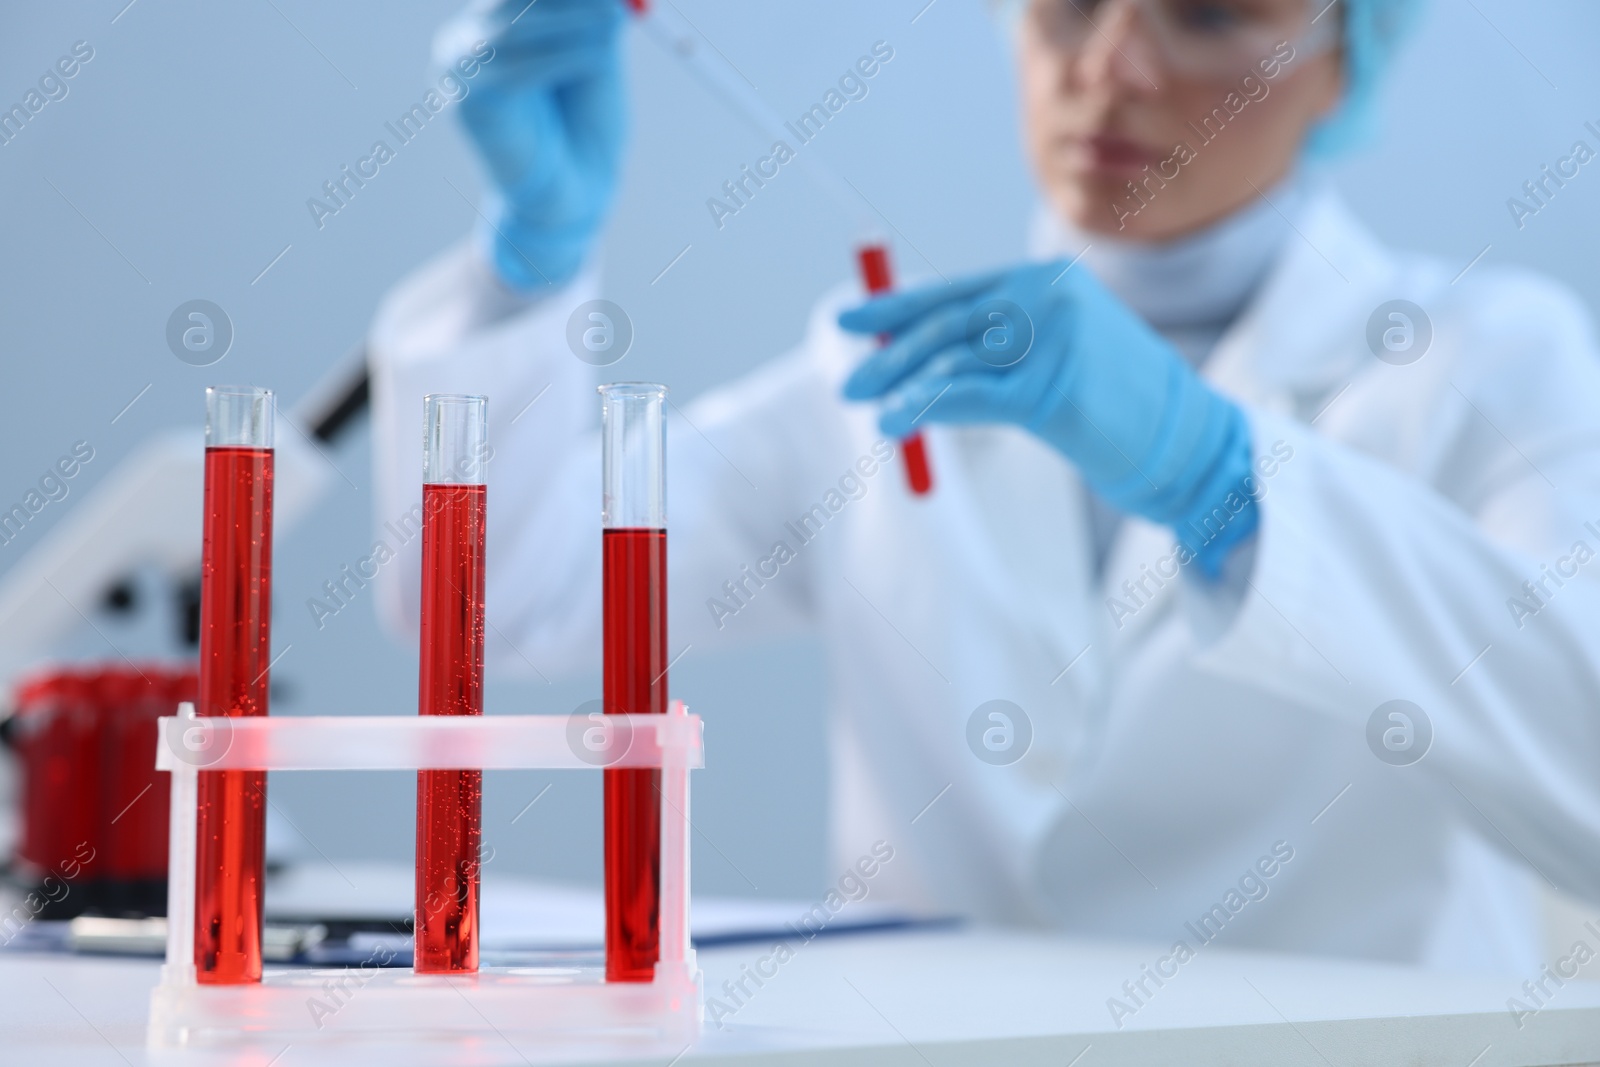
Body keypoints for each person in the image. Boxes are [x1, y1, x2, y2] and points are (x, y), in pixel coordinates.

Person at [368, 0, 1600, 976]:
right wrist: (529, 264)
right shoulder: (886, 369)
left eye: (1211, 13)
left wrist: (1228, 484)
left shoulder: (1487, 359)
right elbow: (492, 606)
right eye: (1067, 4)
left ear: (1342, 58)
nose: (1111, 66)